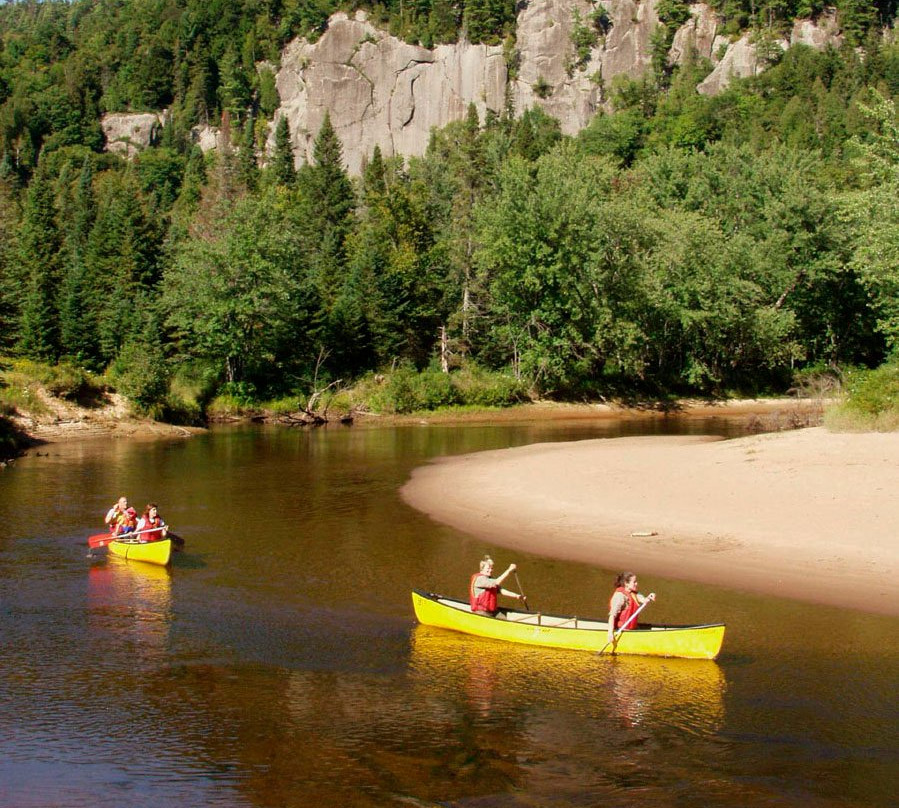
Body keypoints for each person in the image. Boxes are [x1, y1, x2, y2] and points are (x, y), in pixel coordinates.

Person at [608, 572, 655, 644]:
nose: (637, 583)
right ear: (626, 583)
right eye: (634, 582)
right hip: (620, 630)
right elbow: (612, 615)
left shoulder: (634, 593)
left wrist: (649, 597)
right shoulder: (620, 596)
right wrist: (610, 633)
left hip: (631, 629)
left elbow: (644, 600)